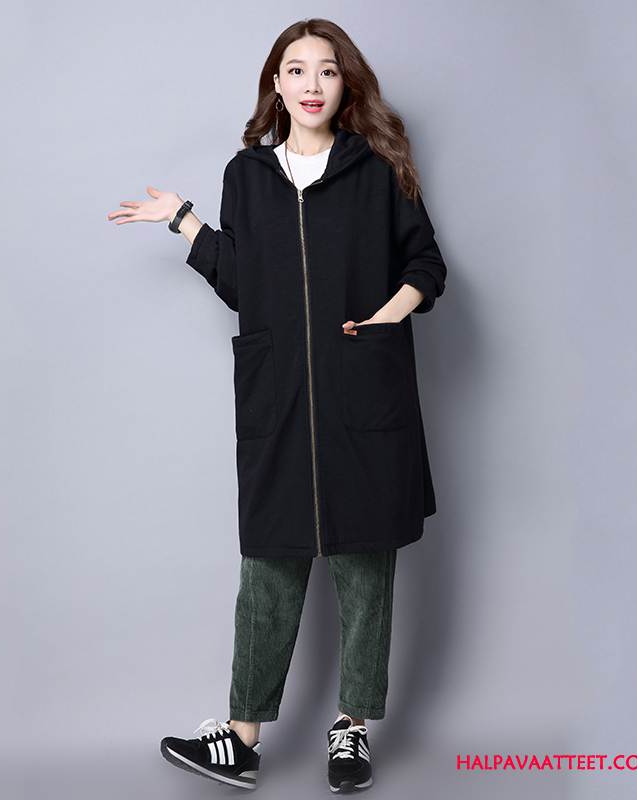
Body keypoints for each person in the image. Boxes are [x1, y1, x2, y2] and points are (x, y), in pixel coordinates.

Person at [107, 17, 447, 793]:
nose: (311, 84)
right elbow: (243, 283)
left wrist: (387, 318)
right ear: (277, 85)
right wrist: (185, 222)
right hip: (278, 397)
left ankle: (351, 729)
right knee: (268, 569)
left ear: (345, 83)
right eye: (296, 70)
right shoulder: (247, 176)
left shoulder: (375, 170)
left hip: (364, 392)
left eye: (326, 70)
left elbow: (426, 261)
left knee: (365, 567)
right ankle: (242, 739)